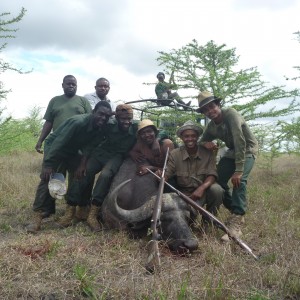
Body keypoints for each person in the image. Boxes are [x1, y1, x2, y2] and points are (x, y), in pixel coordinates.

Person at [26, 101, 112, 233]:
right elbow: (59, 142)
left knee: (84, 173)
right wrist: (48, 164)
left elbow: (89, 147)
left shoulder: (100, 127)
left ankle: (81, 208)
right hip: (56, 148)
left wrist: (82, 165)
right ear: (93, 112)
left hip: (73, 151)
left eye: (107, 116)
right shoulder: (78, 122)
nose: (103, 118)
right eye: (101, 114)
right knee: (49, 178)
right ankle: (37, 216)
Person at [59, 104, 139, 232]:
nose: (127, 121)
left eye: (129, 118)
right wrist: (83, 163)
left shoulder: (136, 127)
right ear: (117, 118)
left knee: (105, 175)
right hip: (100, 153)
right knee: (83, 174)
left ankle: (93, 214)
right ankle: (70, 211)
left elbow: (152, 131)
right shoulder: (109, 125)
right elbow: (92, 142)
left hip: (116, 156)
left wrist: (161, 143)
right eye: (123, 119)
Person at [28, 75, 92, 226]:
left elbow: (90, 120)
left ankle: (72, 210)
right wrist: (40, 140)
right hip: (57, 145)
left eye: (74, 84)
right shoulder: (55, 100)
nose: (71, 86)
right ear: (62, 85)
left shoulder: (82, 101)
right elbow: (49, 122)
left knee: (76, 177)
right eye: (68, 84)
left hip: (76, 148)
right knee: (50, 176)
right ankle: (42, 211)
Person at [197, 91, 258, 241]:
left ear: (218, 105)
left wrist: (238, 170)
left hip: (248, 149)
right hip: (232, 152)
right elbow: (201, 141)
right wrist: (206, 143)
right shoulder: (212, 126)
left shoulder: (231, 114)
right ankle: (235, 212)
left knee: (239, 180)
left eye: (212, 107)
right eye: (206, 110)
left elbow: (240, 141)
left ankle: (236, 221)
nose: (210, 112)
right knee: (216, 181)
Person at [160, 120, 223, 230]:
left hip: (202, 193)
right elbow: (167, 172)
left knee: (217, 190)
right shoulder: (174, 154)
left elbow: (212, 174)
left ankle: (207, 225)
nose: (190, 139)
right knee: (185, 225)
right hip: (184, 196)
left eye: (193, 136)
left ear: (198, 137)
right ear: (182, 137)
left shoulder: (207, 153)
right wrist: (161, 176)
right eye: (186, 136)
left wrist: (202, 188)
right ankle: (190, 219)